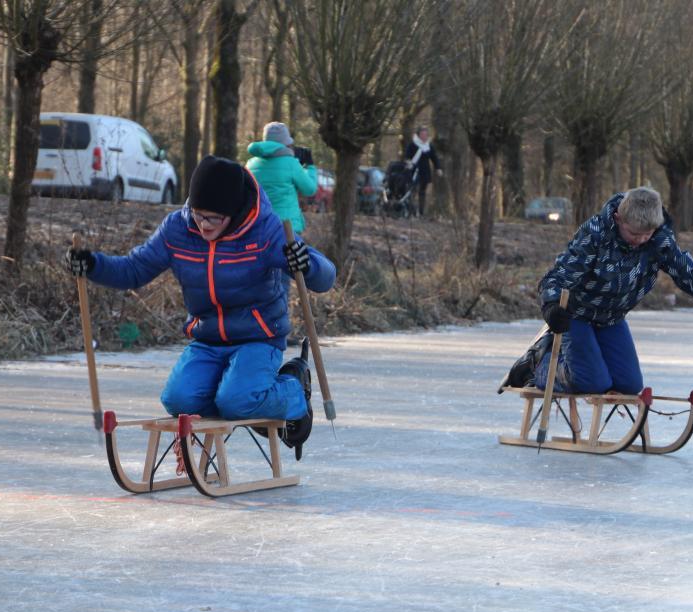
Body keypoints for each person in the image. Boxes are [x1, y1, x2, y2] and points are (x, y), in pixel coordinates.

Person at [66, 155, 336, 465]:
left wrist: (306, 264)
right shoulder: (178, 229)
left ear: (233, 213)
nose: (203, 224)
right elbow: (133, 270)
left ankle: (293, 391)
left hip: (258, 338)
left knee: (236, 400)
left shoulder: (264, 231)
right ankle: (248, 400)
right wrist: (92, 265)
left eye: (213, 218)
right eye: (198, 215)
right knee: (178, 400)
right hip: (207, 338)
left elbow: (325, 277)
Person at [536, 187, 693, 395]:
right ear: (618, 219)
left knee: (630, 385)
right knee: (592, 382)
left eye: (647, 233)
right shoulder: (595, 235)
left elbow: (688, 273)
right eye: (634, 233)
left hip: (611, 318)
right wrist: (552, 305)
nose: (641, 240)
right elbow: (558, 276)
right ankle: (538, 364)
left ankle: (584, 363)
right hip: (575, 315)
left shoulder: (658, 241)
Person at [245, 122, 318, 235]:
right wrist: (310, 166)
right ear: (286, 143)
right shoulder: (291, 163)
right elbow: (310, 190)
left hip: (258, 226)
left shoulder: (251, 164)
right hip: (287, 229)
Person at [403, 125, 442, 217]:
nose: (424, 136)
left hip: (425, 171)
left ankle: (421, 212)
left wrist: (438, 168)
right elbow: (407, 156)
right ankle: (411, 211)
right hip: (413, 170)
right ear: (418, 135)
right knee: (412, 190)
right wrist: (408, 162)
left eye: (426, 134)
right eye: (422, 134)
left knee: (422, 191)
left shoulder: (429, 146)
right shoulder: (412, 144)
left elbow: (434, 157)